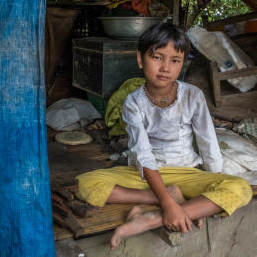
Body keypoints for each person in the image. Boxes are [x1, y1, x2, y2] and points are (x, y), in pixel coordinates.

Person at [76, 23, 252, 250]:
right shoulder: (133, 102)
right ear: (140, 60)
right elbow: (143, 154)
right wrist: (169, 201)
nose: (165, 67)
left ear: (182, 64)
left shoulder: (192, 95)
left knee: (240, 188)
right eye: (157, 57)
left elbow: (208, 143)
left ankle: (151, 218)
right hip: (146, 176)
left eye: (175, 60)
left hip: (187, 172)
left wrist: (210, 186)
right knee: (86, 184)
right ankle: (169, 200)